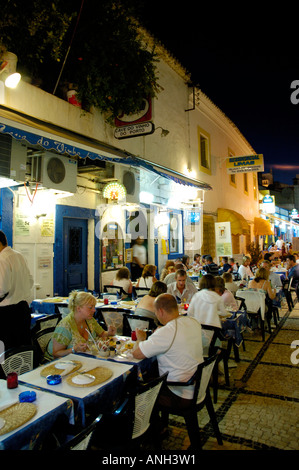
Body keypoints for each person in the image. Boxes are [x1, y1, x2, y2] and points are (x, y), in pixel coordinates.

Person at [132, 294, 204, 409]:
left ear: (160, 311)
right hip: (197, 386)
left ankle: (151, 425)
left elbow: (137, 354)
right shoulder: (193, 322)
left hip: (179, 393)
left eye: (155, 312)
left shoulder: (167, 332)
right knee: (152, 375)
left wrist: (141, 339)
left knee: (134, 391)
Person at [45, 291, 116, 360]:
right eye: (90, 307)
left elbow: (102, 333)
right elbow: (56, 354)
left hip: (83, 359)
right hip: (61, 364)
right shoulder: (65, 325)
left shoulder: (89, 319)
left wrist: (109, 333)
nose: (94, 310)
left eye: (94, 307)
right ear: (78, 308)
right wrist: (74, 349)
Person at [0, 230, 34, 350]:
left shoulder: (2, 258)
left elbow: (2, 288)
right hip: (23, 309)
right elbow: (30, 281)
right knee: (22, 347)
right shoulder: (18, 255)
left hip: (7, 313)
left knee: (8, 349)